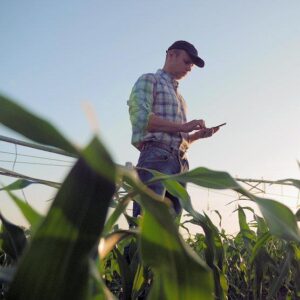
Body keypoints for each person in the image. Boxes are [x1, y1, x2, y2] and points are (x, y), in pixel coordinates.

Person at [127, 40, 220, 218]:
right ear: (171, 55)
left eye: (192, 65)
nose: (190, 68)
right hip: (156, 158)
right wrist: (183, 126)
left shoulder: (181, 99)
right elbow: (141, 119)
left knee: (169, 233)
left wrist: (196, 136)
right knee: (146, 225)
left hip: (180, 163)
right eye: (187, 62)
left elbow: (178, 137)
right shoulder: (149, 80)